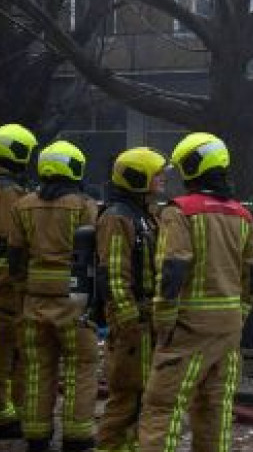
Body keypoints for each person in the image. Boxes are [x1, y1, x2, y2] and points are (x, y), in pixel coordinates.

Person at [137, 132, 253, 452]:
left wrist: (163, 322)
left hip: (188, 328)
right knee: (215, 411)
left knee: (162, 408)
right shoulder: (242, 214)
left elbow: (173, 269)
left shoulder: (179, 211)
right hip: (229, 329)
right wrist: (242, 314)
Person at [8, 141, 99, 452]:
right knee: (81, 367)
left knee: (36, 369)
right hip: (75, 302)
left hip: (34, 300)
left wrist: (24, 288)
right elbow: (92, 255)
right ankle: (77, 437)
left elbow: (15, 255)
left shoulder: (23, 205)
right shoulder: (84, 205)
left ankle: (36, 436)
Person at [95, 148, 165, 452]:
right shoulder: (116, 218)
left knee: (143, 398)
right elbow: (113, 274)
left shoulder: (143, 214)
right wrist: (128, 323)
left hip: (146, 318)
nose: (162, 179)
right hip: (133, 322)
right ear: (139, 178)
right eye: (156, 174)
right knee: (126, 399)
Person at [0, 123, 39, 440]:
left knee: (12, 347)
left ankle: (11, 410)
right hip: (6, 281)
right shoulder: (5, 190)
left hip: (2, 279)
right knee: (3, 349)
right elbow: (13, 235)